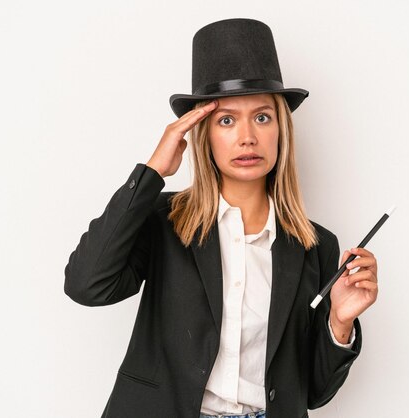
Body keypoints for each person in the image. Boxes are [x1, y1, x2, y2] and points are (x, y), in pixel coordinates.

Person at [64, 18, 379, 418]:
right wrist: (153, 172)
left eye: (262, 117)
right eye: (226, 120)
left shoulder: (315, 245)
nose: (247, 136)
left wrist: (339, 322)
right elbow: (86, 286)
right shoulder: (163, 219)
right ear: (203, 133)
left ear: (281, 130)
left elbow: (312, 393)